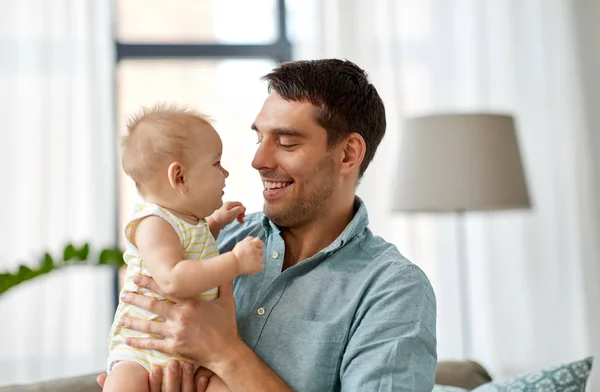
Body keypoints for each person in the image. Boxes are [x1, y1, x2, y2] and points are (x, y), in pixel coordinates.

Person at [98, 59, 437, 392]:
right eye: (259, 139)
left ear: (348, 154)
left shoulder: (392, 289)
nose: (258, 161)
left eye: (287, 142)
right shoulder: (214, 237)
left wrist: (226, 353)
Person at [104, 104, 264, 392]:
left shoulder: (190, 221)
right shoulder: (152, 223)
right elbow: (174, 278)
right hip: (142, 353)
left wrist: (216, 221)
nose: (225, 173)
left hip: (194, 352)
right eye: (216, 163)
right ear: (179, 177)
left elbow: (194, 245)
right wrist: (236, 262)